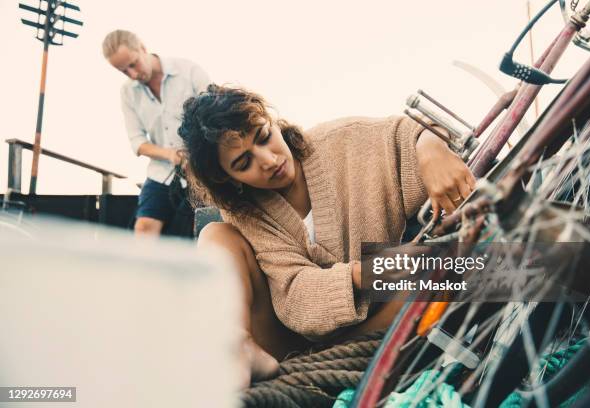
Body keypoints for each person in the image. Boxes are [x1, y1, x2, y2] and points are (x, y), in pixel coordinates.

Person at [178, 84, 476, 382]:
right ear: (228, 178)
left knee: (485, 267)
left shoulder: (340, 140)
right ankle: (234, 345)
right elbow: (296, 297)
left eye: (264, 136)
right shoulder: (246, 214)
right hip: (286, 346)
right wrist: (368, 273)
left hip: (377, 319)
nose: (268, 160)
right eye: (244, 163)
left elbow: (405, 135)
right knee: (215, 234)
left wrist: (429, 146)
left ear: (270, 121)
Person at [102, 30, 211, 235]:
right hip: (161, 173)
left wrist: (195, 156)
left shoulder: (189, 71)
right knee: (143, 229)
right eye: (124, 71)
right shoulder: (127, 92)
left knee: (201, 230)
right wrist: (170, 155)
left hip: (202, 171)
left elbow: (213, 119)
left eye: (133, 64)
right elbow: (137, 142)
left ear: (142, 47)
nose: (133, 75)